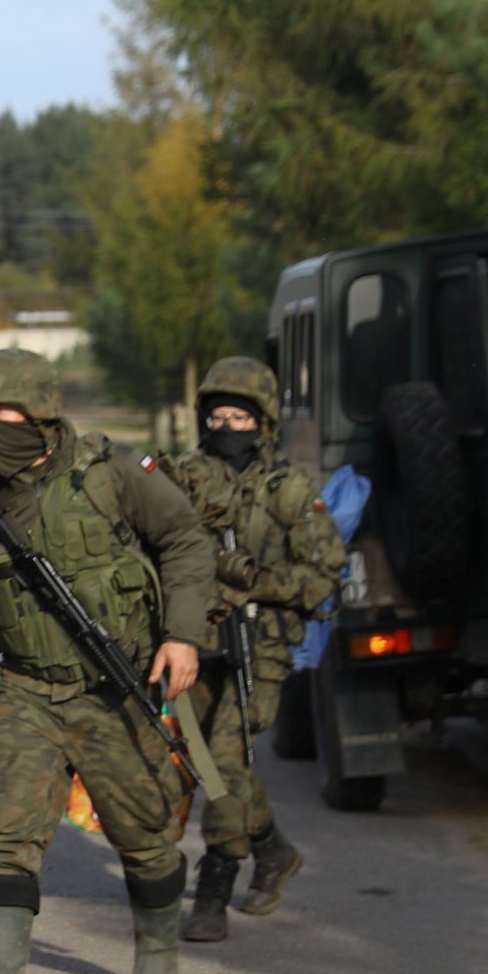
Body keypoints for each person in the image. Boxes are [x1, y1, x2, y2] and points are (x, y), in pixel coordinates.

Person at [0, 348, 214, 974]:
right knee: (8, 833)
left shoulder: (111, 473)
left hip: (115, 689)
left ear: (41, 413)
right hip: (29, 693)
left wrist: (182, 635)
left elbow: (186, 540)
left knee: (143, 830)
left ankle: (156, 956)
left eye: (4, 410)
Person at [157, 358, 344, 941]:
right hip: (191, 641)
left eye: (240, 416)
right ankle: (273, 850)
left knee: (226, 762)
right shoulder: (184, 476)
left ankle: (214, 887)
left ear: (262, 423)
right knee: (201, 763)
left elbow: (323, 581)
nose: (228, 427)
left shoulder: (288, 489)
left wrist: (251, 580)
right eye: (218, 416)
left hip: (257, 649)